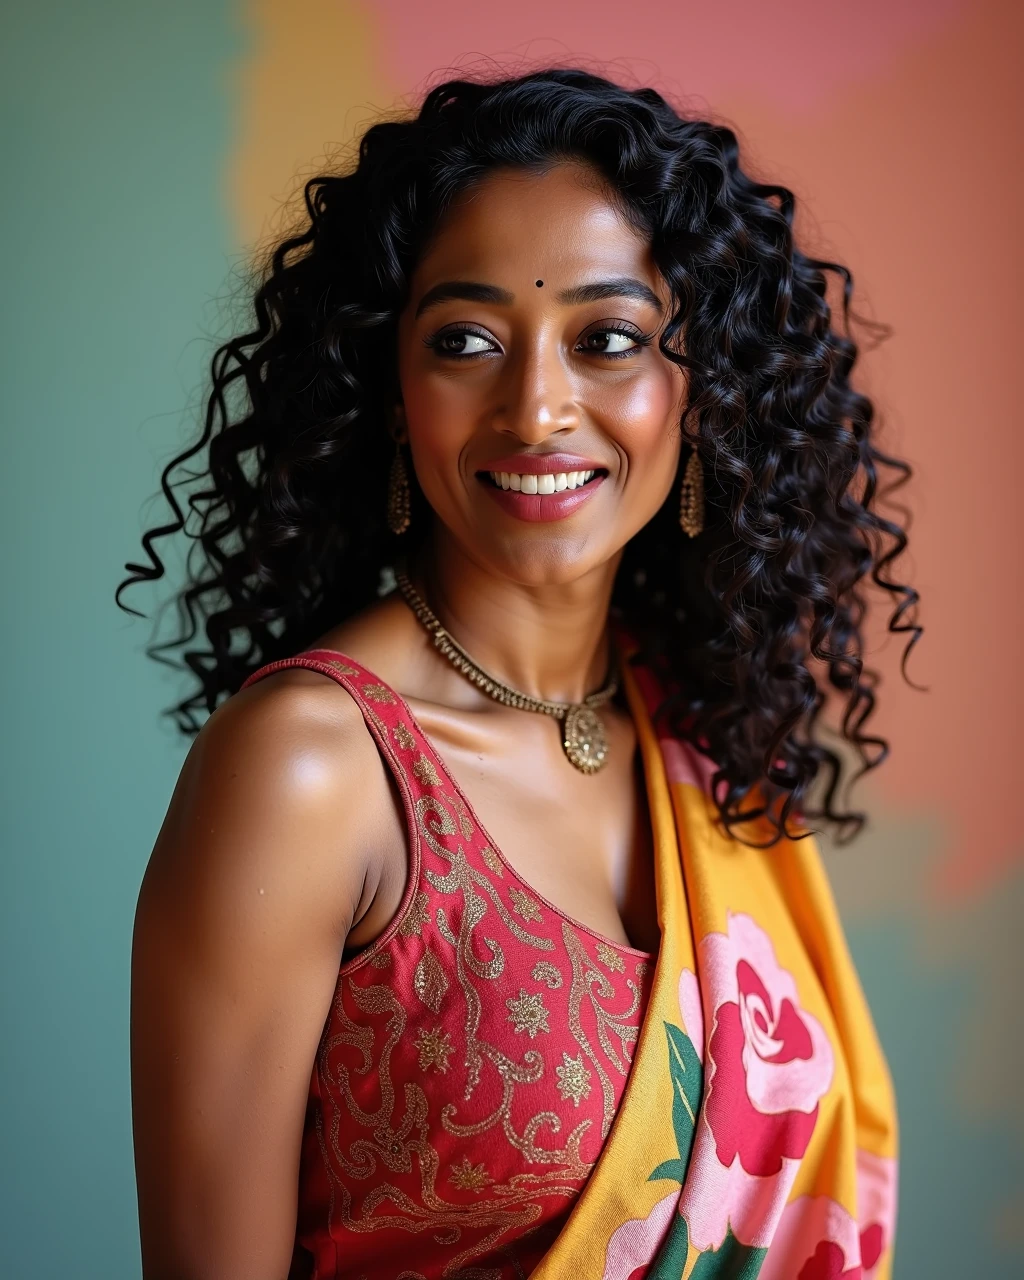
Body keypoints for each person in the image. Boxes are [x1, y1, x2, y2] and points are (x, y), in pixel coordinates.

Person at [123, 69, 916, 1280]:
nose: (537, 406)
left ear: (698, 394)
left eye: (607, 339)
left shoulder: (698, 743)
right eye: (466, 341)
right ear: (392, 394)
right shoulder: (313, 770)